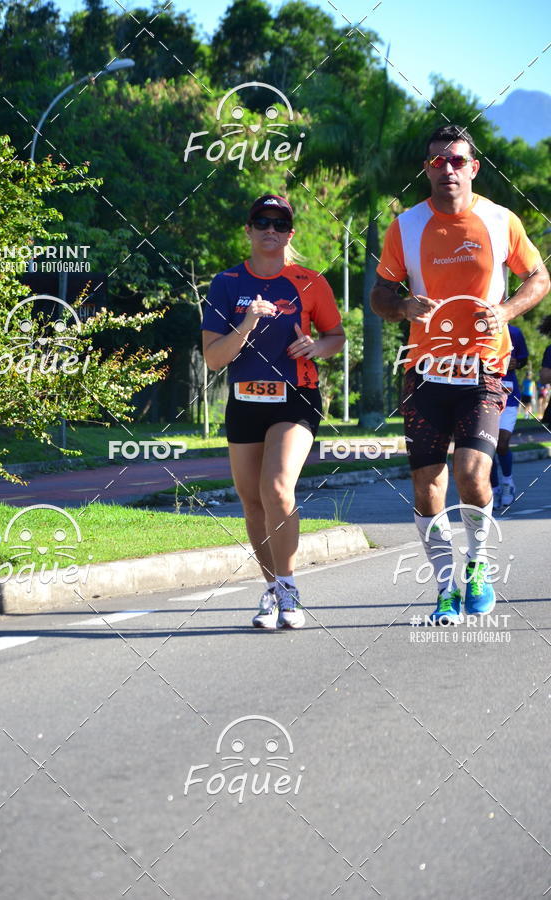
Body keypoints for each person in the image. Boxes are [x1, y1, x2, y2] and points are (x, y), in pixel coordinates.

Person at [371, 124, 550, 624]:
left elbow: (539, 277)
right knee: (428, 489)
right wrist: (404, 305)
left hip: (483, 370)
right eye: (437, 162)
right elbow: (379, 295)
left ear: (473, 167)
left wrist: (508, 311)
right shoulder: (404, 226)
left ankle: (477, 567)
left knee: (472, 475)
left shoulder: (500, 220)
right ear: (426, 169)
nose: (446, 169)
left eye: (456, 161)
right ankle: (446, 587)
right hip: (425, 373)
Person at [201, 194, 345, 629]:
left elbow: (335, 335)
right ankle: (274, 591)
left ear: (290, 233)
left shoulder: (309, 281)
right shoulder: (225, 284)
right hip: (244, 400)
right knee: (251, 502)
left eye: (279, 224)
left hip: (295, 397)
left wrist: (318, 346)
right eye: (261, 222)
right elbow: (213, 359)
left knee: (277, 489)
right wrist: (246, 324)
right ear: (248, 230)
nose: (270, 230)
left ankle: (289, 587)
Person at [491, 323, 528, 509]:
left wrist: (517, 363)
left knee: (502, 442)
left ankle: (508, 482)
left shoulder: (514, 332)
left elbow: (523, 359)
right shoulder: (475, 328)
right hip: (484, 393)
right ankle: (494, 489)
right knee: (488, 446)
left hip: (509, 394)